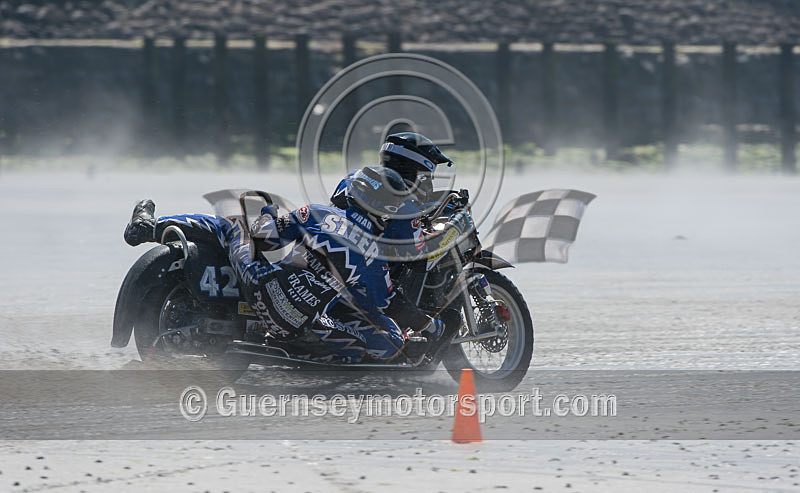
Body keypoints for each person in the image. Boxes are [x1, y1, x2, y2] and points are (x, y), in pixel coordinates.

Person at [123, 167, 445, 363]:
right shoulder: (375, 256)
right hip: (295, 315)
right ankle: (311, 350)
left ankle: (153, 226)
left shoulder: (319, 213)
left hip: (260, 273)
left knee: (244, 215)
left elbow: (277, 224)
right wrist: (431, 326)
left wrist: (266, 233)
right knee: (391, 340)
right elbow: (383, 304)